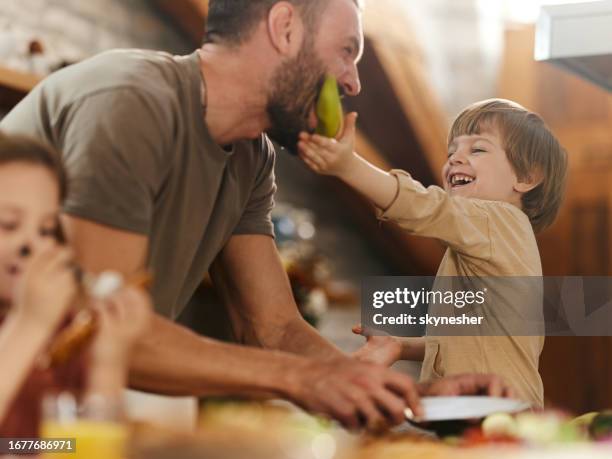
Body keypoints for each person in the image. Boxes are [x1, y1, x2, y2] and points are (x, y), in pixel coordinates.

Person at [0, 0, 512, 429]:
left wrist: (414, 398)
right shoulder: (132, 102)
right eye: (346, 51)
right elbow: (96, 329)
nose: (353, 82)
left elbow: (274, 328)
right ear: (285, 28)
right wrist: (300, 379)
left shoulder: (251, 157)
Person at [298, 99, 568, 408]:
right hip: (479, 410)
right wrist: (401, 346)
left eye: (477, 149)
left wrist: (350, 166)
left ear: (527, 178)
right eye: (452, 151)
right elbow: (463, 341)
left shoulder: (498, 220)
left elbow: (425, 206)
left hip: (498, 411)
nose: (455, 159)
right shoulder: (479, 245)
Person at [0, 133, 152, 436]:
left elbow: (81, 448)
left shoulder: (60, 335)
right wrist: (28, 326)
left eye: (45, 229)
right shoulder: (36, 323)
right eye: (8, 224)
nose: (33, 245)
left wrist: (109, 360)